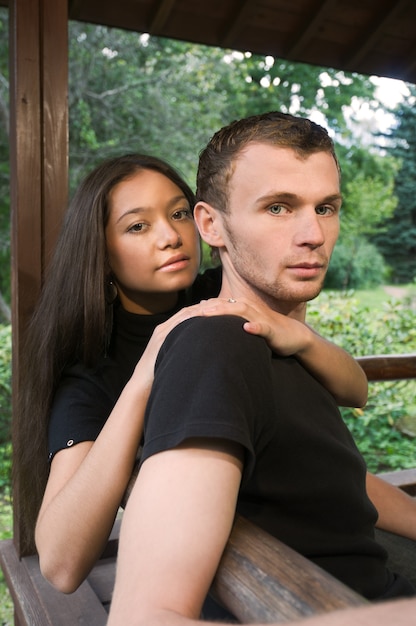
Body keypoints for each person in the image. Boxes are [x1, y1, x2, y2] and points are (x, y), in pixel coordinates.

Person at [107, 112, 416, 626]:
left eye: (326, 207)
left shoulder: (280, 340)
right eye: (278, 207)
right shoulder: (216, 346)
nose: (313, 233)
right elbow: (145, 619)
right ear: (211, 225)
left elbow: (328, 476)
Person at [15, 154, 366, 591]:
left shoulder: (227, 296)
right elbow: (60, 563)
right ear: (102, 254)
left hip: (318, 539)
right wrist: (145, 376)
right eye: (137, 226)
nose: (170, 236)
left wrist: (302, 336)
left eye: (178, 213)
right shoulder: (93, 373)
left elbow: (355, 391)